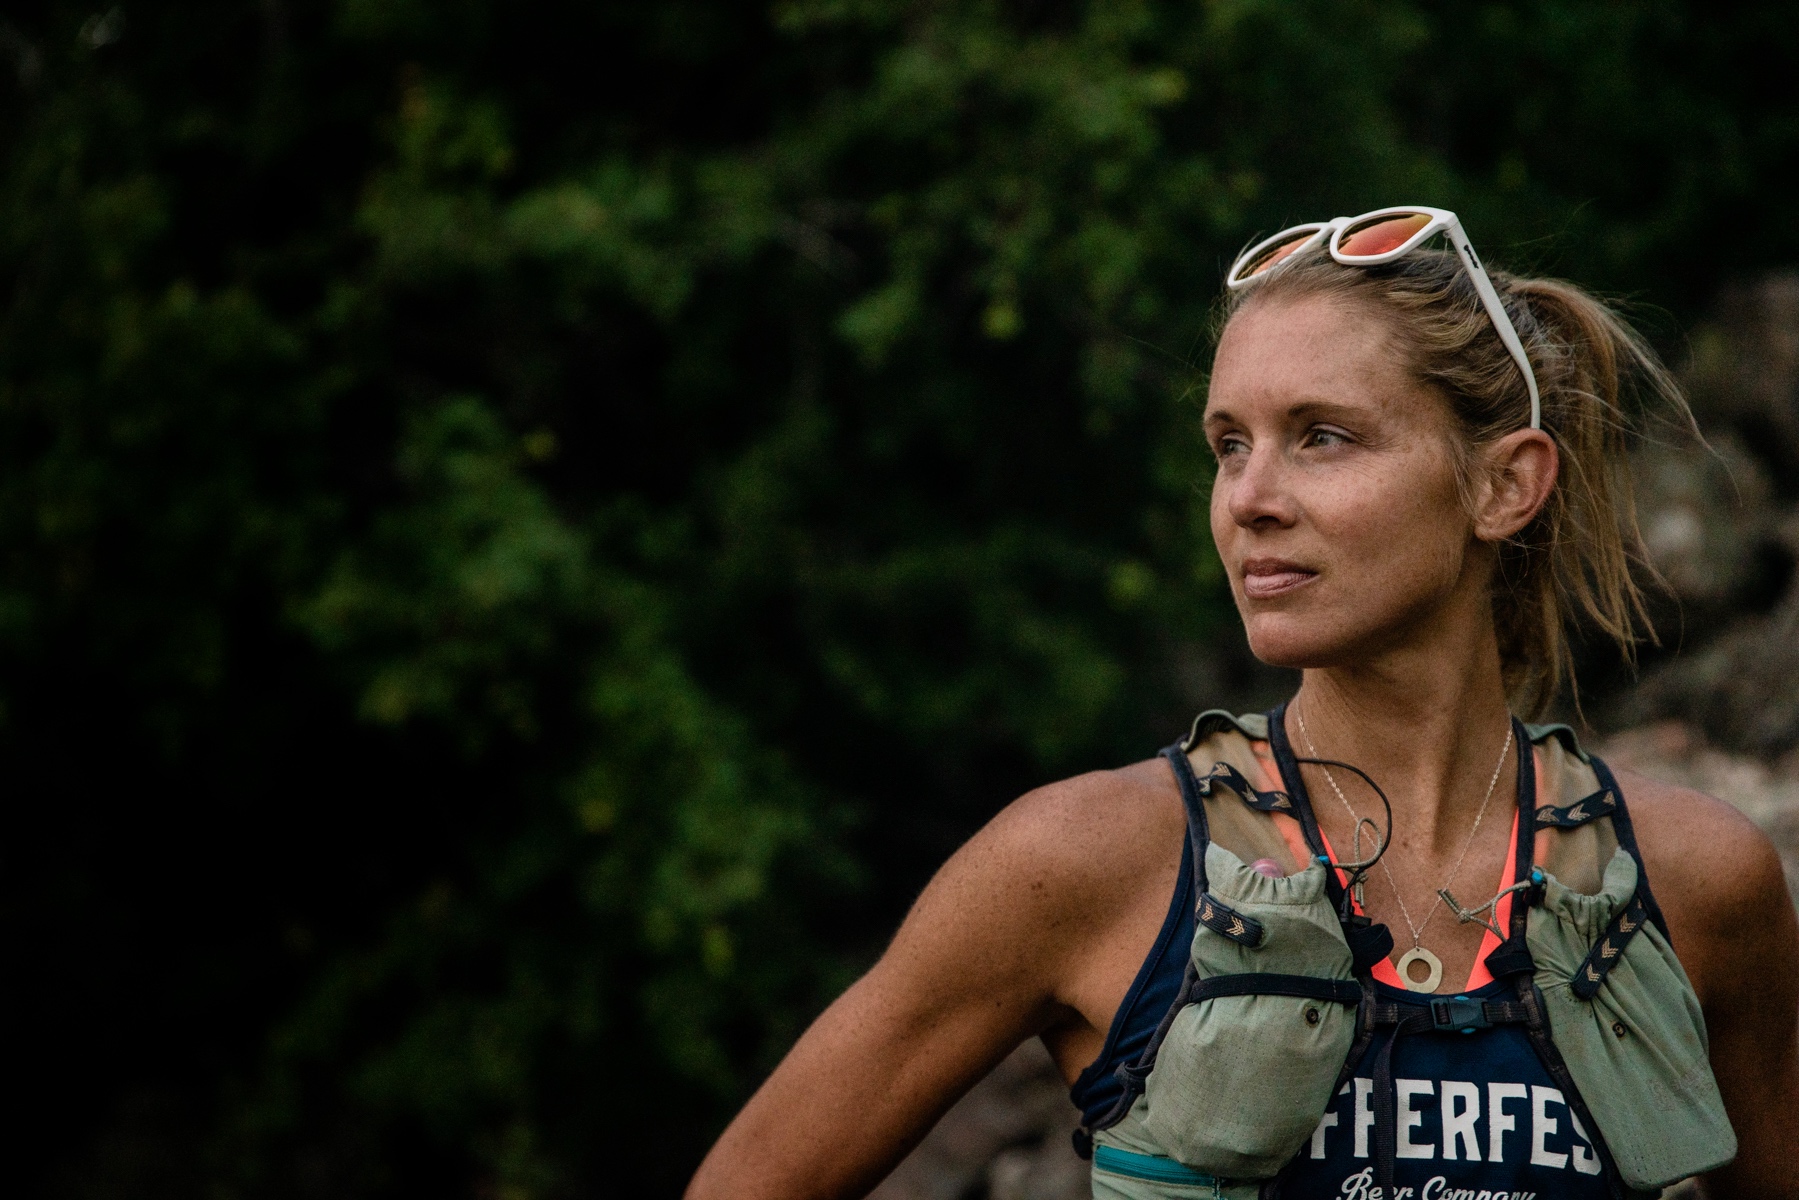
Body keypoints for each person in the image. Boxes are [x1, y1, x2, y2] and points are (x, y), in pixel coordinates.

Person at [686, 208, 1799, 1200]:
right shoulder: (1082, 862)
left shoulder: (1694, 885)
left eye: (1321, 436)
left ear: (1503, 483)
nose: (1249, 501)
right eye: (1229, 445)